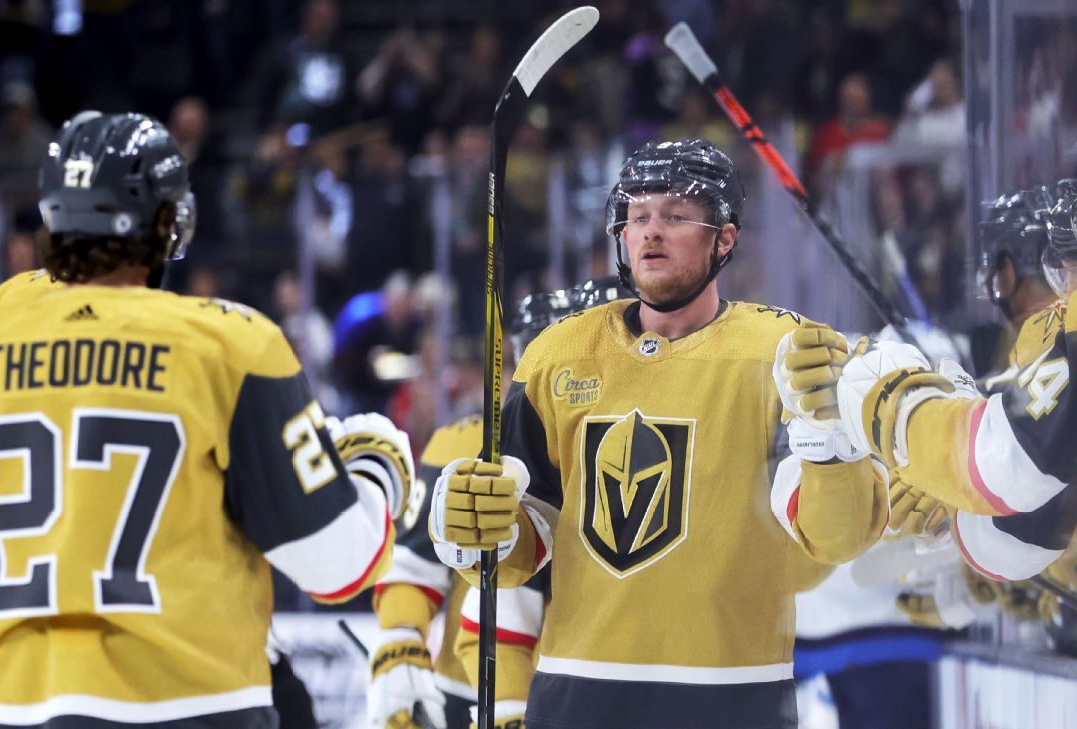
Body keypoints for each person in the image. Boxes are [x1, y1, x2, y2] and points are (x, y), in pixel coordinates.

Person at [0, 111, 415, 729]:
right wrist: (373, 469)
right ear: (170, 222)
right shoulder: (232, 346)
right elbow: (339, 566)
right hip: (197, 711)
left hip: (10, 713)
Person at [428, 139, 888, 729]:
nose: (650, 232)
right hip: (576, 691)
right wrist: (471, 535)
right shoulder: (557, 354)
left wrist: (831, 441)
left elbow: (836, 538)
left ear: (724, 238)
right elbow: (524, 550)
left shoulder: (780, 355)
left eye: (674, 216)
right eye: (637, 216)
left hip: (730, 697)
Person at [368, 279, 623, 729]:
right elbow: (412, 567)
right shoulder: (465, 443)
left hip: (594, 685)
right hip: (472, 690)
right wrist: (399, 646)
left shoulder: (631, 447)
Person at [836, 178, 1077, 583]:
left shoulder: (1055, 334)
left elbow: (1015, 467)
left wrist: (902, 413)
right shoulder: (1023, 346)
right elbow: (1022, 531)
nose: (1061, 293)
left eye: (1066, 267)